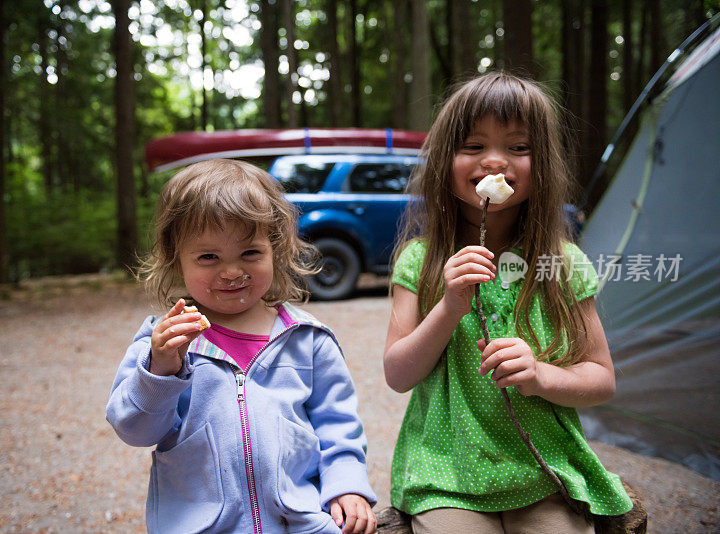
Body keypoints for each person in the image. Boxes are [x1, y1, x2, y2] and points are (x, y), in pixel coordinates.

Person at [382, 72, 633, 534]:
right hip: (446, 473)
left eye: (518, 147)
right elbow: (397, 374)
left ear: (545, 165)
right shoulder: (420, 260)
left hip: (541, 471)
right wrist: (450, 306)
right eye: (474, 146)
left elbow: (601, 379)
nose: (494, 161)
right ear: (443, 162)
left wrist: (540, 374)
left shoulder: (563, 263)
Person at [107, 159, 377, 534]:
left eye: (250, 253)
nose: (232, 271)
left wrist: (346, 487)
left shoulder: (308, 339)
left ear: (276, 250)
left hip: (300, 521)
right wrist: (160, 370)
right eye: (208, 257)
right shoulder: (164, 342)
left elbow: (338, 427)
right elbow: (135, 431)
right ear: (176, 259)